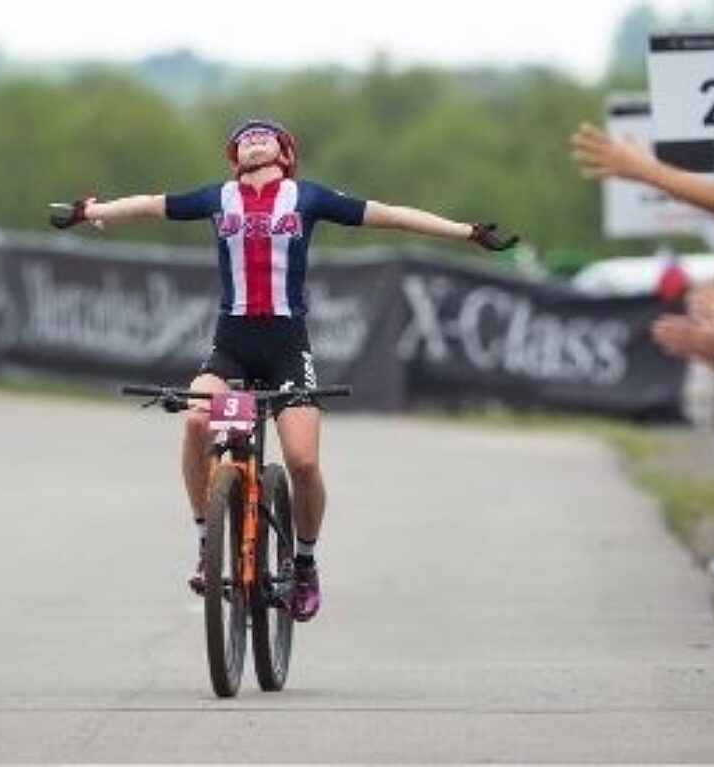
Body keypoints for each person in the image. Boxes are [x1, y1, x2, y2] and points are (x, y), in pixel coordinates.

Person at [49, 118, 518, 621]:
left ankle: (306, 563)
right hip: (230, 348)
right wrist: (89, 211)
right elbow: (147, 205)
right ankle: (207, 543)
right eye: (244, 136)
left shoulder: (307, 197)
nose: (254, 137)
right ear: (234, 157)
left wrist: (465, 232)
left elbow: (392, 216)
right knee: (195, 422)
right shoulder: (217, 197)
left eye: (265, 134)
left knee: (303, 462)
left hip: (288, 349)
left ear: (286, 153)